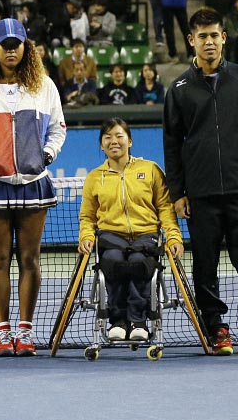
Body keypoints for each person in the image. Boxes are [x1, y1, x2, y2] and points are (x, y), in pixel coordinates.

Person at [163, 7, 238, 355]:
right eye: (202, 37)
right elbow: (172, 144)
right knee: (205, 267)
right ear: (191, 41)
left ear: (223, 38)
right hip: (202, 194)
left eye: (214, 35)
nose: (209, 42)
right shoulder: (179, 89)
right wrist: (178, 193)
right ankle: (216, 328)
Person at [0, 18, 68, 355]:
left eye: (16, 44)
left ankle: (25, 331)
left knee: (30, 259)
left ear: (27, 47)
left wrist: (46, 155)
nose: (11, 50)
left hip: (33, 182)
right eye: (4, 45)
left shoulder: (45, 87)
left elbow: (58, 128)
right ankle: (3, 332)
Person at [78, 119, 184, 341]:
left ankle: (138, 321)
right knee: (114, 261)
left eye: (118, 136)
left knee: (139, 263)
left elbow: (165, 208)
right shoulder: (95, 177)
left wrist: (173, 236)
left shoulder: (151, 170)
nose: (113, 141)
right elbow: (88, 216)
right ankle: (118, 320)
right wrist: (87, 236)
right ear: (101, 145)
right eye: (107, 137)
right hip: (110, 236)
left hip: (145, 235)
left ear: (130, 140)